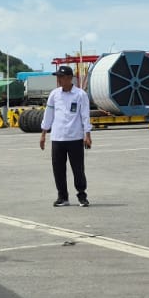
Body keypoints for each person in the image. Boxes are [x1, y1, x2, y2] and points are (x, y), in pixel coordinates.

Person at [39, 65, 92, 207]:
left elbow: (85, 116)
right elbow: (48, 115)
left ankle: (82, 196)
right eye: (57, 77)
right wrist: (43, 134)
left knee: (78, 169)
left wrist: (87, 135)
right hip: (57, 138)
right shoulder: (54, 94)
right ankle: (62, 197)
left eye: (61, 77)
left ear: (69, 78)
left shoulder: (80, 95)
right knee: (58, 170)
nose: (58, 79)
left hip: (75, 137)